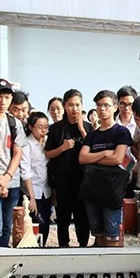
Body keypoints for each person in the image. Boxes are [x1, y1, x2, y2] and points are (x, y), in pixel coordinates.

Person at [78, 90, 133, 247]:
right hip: (92, 190)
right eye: (99, 106)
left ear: (115, 107)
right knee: (98, 236)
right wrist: (104, 153)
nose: (102, 109)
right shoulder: (92, 136)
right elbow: (82, 158)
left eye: (106, 105)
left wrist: (93, 159)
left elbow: (117, 159)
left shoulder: (121, 132)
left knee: (113, 238)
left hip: (112, 192)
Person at [45, 89, 93, 247]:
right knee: (63, 217)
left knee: (82, 217)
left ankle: (83, 246)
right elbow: (48, 153)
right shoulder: (56, 128)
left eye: (78, 105)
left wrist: (82, 130)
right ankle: (63, 246)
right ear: (65, 106)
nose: (75, 109)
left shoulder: (88, 127)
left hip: (83, 179)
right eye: (71, 105)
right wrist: (62, 148)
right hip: (62, 179)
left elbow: (94, 151)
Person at [0, 78, 27, 252]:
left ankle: (3, 259)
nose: (3, 101)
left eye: (7, 97)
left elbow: (17, 152)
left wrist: (7, 177)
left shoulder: (14, 123)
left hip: (12, 181)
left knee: (6, 227)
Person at [21, 111, 52, 246]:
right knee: (35, 223)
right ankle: (33, 249)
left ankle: (42, 247)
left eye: (46, 127)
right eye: (40, 127)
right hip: (32, 191)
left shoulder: (48, 142)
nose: (43, 130)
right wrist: (31, 198)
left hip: (46, 190)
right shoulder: (26, 144)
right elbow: (26, 171)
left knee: (45, 222)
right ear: (31, 127)